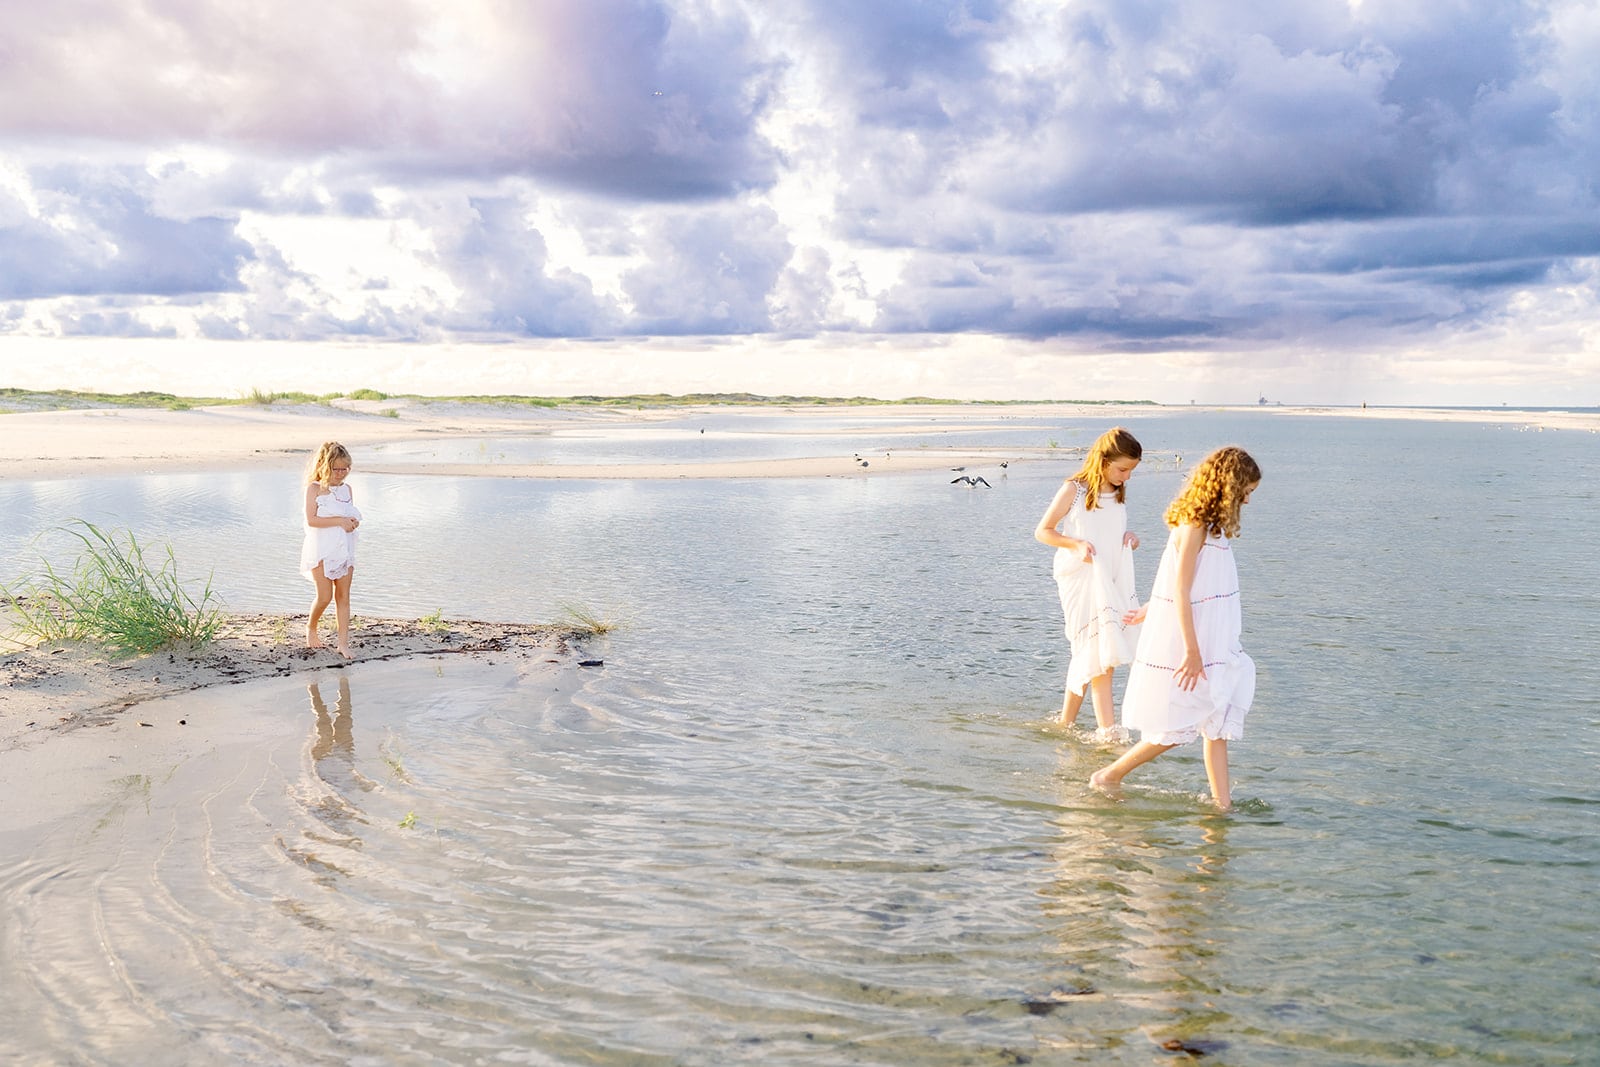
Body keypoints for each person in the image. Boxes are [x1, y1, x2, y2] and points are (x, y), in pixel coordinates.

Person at [1090, 446, 1261, 810]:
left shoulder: (1214, 529)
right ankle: (1109, 775)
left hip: (1217, 639)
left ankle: (1222, 806)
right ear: (1228, 487)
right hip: (1195, 642)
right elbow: (1180, 588)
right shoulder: (1193, 526)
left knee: (1216, 721)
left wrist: (1150, 609)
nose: (1247, 501)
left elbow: (1190, 585)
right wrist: (1192, 652)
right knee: (1178, 724)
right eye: (1245, 492)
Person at [1033, 427, 1143, 740]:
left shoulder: (1117, 492)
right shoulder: (1074, 490)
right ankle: (1109, 734)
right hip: (1080, 579)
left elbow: (1109, 531)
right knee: (1099, 654)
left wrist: (1129, 538)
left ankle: (1065, 724)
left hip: (1111, 580)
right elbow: (1043, 531)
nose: (1127, 477)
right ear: (1103, 461)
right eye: (1122, 469)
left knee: (1092, 652)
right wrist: (1075, 544)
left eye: (1131, 471)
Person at [300, 441, 362, 659]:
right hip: (321, 549)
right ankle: (311, 626)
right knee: (325, 596)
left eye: (346, 469)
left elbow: (348, 514)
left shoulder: (347, 489)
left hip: (344, 549)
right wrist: (339, 521)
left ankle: (343, 644)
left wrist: (352, 522)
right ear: (325, 466)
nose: (341, 473)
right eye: (337, 469)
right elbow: (312, 520)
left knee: (343, 597)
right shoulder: (314, 488)